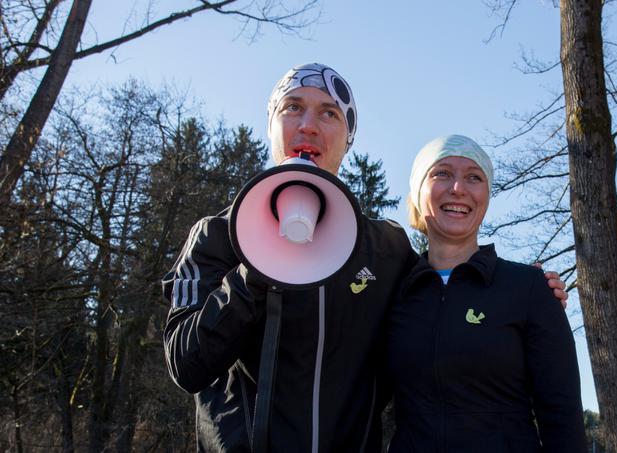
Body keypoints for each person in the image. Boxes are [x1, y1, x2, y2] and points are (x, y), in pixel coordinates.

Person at [162, 64, 568, 452]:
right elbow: (186, 364)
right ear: (271, 124)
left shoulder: (384, 247)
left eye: (329, 113)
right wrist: (256, 268)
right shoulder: (216, 235)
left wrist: (523, 289)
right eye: (292, 108)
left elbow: (446, 289)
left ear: (347, 138)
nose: (308, 125)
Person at [385, 135, 586, 452]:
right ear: (417, 190)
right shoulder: (391, 292)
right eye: (442, 173)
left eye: (474, 177)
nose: (458, 188)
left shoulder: (529, 288)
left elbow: (562, 416)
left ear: (487, 196)